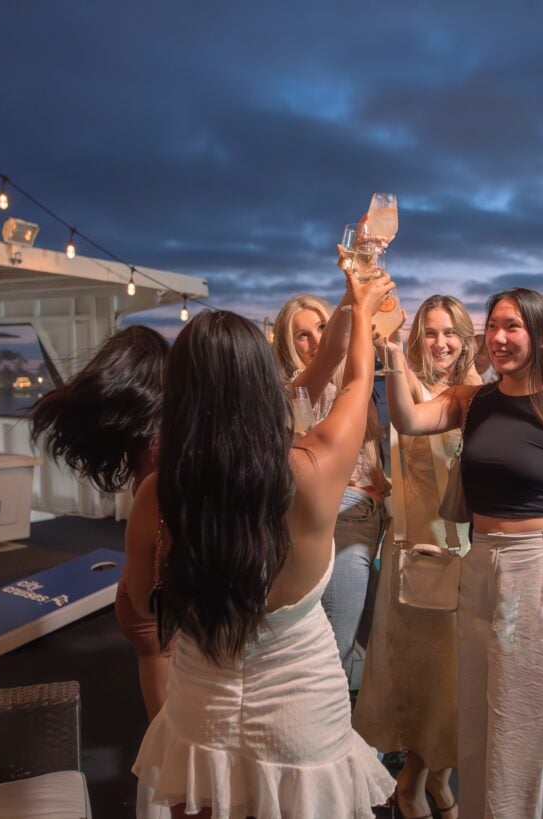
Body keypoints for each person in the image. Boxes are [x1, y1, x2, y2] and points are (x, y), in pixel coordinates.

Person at [129, 271, 396, 818]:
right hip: (301, 708)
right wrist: (363, 311)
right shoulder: (315, 468)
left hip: (200, 702)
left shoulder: (160, 492)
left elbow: (139, 601)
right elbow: (354, 386)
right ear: (263, 386)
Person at [381, 287, 543, 819]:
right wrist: (393, 354)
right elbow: (408, 419)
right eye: (493, 326)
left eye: (513, 326)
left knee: (525, 720)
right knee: (481, 721)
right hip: (480, 562)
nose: (500, 337)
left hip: (541, 568)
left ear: (541, 334)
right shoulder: (472, 400)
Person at [354, 295, 479, 819]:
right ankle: (413, 785)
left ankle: (430, 780)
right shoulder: (415, 389)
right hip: (419, 561)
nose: (440, 342)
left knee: (457, 686)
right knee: (428, 686)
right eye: (430, 332)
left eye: (450, 332)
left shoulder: (479, 394)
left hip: (470, 556)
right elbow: (404, 424)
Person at [29, 325, 171, 721]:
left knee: (160, 708)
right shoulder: (170, 439)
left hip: (141, 588)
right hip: (160, 595)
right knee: (168, 728)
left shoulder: (143, 435)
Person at [273, 292, 389, 684]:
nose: (314, 341)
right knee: (335, 655)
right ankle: (330, 736)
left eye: (320, 327)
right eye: (301, 335)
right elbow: (331, 352)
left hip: (369, 519)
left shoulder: (355, 384)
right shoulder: (299, 388)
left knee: (376, 647)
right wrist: (354, 291)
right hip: (340, 519)